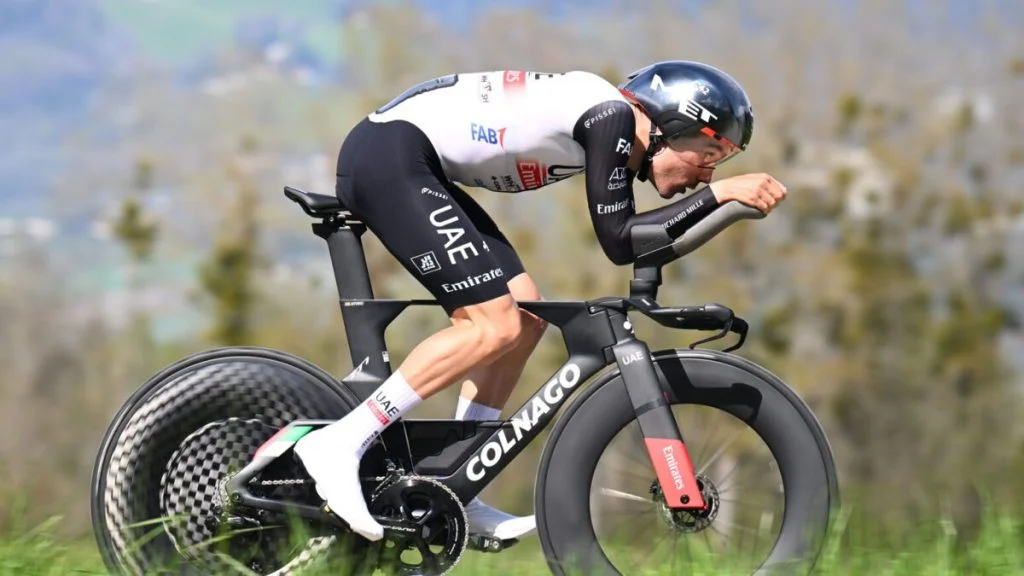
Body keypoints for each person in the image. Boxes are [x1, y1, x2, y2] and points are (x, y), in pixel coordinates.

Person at [293, 60, 788, 542]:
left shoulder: (610, 120)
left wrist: (718, 201)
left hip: (410, 158)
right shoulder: (611, 117)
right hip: (390, 154)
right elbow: (619, 241)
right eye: (709, 155)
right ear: (672, 126)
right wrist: (719, 196)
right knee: (494, 326)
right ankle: (340, 443)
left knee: (525, 315)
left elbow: (639, 237)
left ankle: (455, 476)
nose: (706, 173)